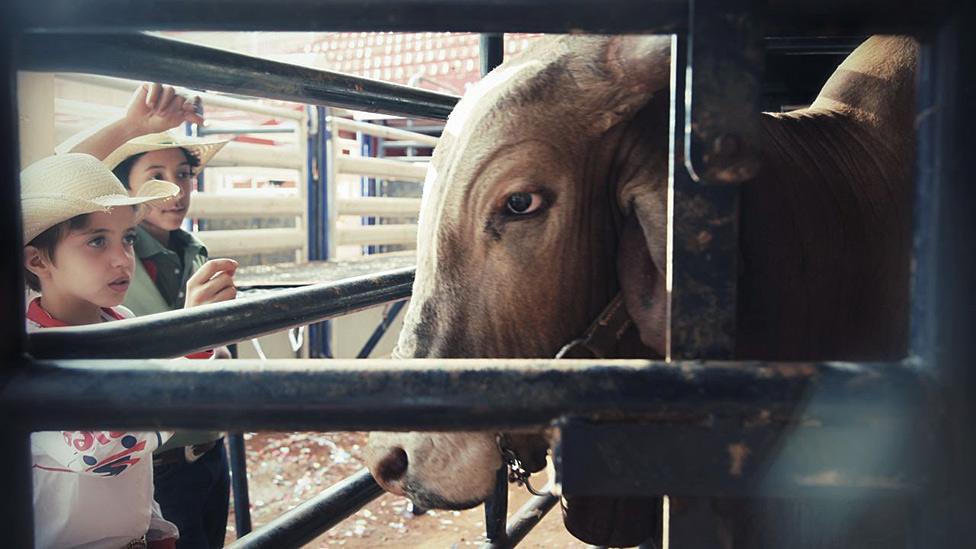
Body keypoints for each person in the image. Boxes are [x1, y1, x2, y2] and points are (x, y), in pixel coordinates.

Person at [62, 83, 236, 549]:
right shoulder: (99, 276)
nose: (176, 190)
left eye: (184, 173)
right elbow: (48, 186)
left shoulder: (193, 252)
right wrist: (130, 126)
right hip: (152, 465)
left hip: (207, 455)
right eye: (156, 173)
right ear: (120, 187)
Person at [22, 153, 182, 549]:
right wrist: (189, 356)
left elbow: (136, 460)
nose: (122, 258)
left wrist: (153, 525)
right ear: (37, 259)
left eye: (127, 238)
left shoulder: (121, 321)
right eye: (97, 241)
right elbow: (102, 454)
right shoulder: (25, 349)